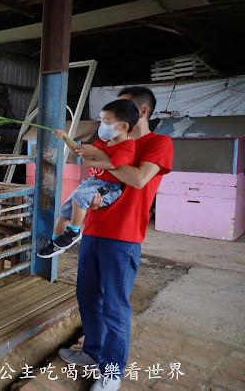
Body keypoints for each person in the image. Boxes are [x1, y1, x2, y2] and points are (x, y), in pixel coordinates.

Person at [58, 86, 174, 391]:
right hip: (94, 229)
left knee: (114, 306)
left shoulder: (158, 143)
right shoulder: (107, 143)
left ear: (140, 113)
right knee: (87, 295)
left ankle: (112, 372)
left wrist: (105, 160)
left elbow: (138, 179)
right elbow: (93, 174)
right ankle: (93, 352)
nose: (106, 119)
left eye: (116, 110)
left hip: (123, 236)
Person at [37, 99, 139, 258]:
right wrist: (65, 138)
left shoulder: (127, 146)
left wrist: (90, 161)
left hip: (110, 186)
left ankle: (74, 232)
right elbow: (79, 151)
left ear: (124, 126)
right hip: (93, 182)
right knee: (65, 209)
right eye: (101, 121)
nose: (102, 125)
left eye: (106, 121)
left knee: (80, 196)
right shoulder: (104, 141)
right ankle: (55, 242)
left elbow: (112, 165)